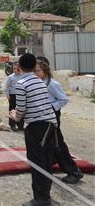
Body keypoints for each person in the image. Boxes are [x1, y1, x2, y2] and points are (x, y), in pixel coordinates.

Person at [9, 53, 58, 206]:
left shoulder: (21, 84)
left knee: (37, 162)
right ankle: (45, 197)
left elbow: (21, 110)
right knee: (47, 161)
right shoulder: (40, 81)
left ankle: (40, 199)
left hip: (37, 126)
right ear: (33, 66)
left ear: (19, 67)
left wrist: (14, 116)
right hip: (50, 124)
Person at [35, 57, 83, 185]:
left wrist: (51, 107)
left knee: (57, 143)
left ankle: (74, 171)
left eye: (37, 70)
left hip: (52, 115)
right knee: (50, 142)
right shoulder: (39, 82)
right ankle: (52, 161)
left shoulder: (52, 84)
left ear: (44, 70)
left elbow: (63, 99)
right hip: (44, 116)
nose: (35, 73)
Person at [5, 62, 24, 131]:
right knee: (12, 110)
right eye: (14, 69)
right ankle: (12, 125)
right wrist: (7, 95)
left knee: (21, 110)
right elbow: (7, 87)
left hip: (21, 95)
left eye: (17, 69)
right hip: (12, 96)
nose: (16, 70)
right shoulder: (10, 77)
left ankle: (20, 125)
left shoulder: (22, 76)